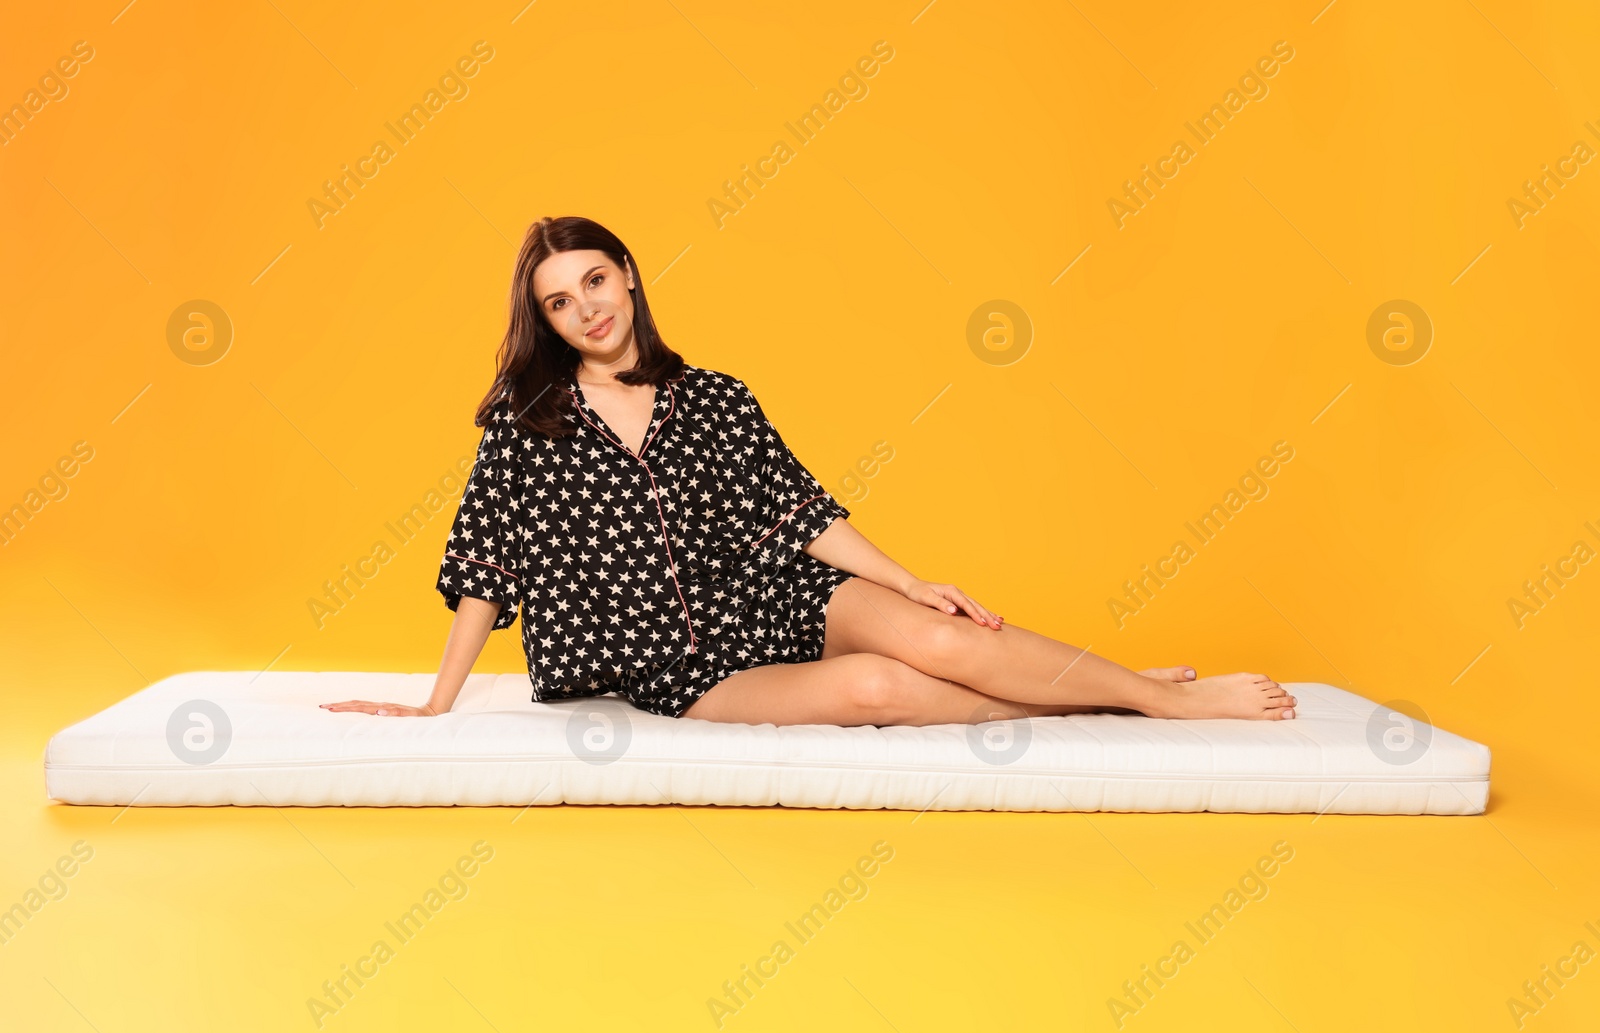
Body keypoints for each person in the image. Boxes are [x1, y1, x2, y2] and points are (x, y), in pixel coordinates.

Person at [323, 216, 1297, 728]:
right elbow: (487, 564)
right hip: (671, 661)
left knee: (933, 631)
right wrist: (435, 699)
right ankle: (1115, 692)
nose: (585, 308)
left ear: (626, 274)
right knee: (879, 688)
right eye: (559, 300)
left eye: (594, 280)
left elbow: (796, 507)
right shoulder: (526, 425)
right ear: (545, 320)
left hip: (768, 592)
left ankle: (1161, 697)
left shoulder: (714, 397)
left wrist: (906, 577)